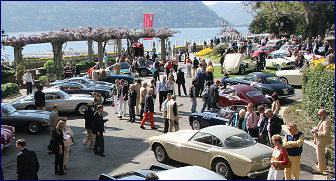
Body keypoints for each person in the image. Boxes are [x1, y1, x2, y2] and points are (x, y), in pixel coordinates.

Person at [311, 109, 331, 174]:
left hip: (321, 142)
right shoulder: (324, 119)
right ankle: (323, 167)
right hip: (319, 141)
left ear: (324, 114)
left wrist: (317, 133)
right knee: (320, 155)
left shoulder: (326, 121)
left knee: (320, 156)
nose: (318, 116)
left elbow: (326, 133)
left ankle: (320, 170)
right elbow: (320, 127)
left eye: (320, 114)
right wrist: (316, 129)